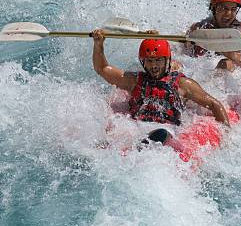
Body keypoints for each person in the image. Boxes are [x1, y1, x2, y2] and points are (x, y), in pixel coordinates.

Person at [92, 29, 231, 145]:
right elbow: (102, 69)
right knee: (118, 128)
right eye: (150, 61)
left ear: (167, 60)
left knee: (162, 134)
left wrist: (225, 136)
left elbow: (214, 104)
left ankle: (144, 145)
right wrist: (99, 44)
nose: (154, 65)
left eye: (158, 60)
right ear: (143, 62)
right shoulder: (134, 80)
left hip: (166, 129)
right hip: (136, 126)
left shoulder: (182, 84)